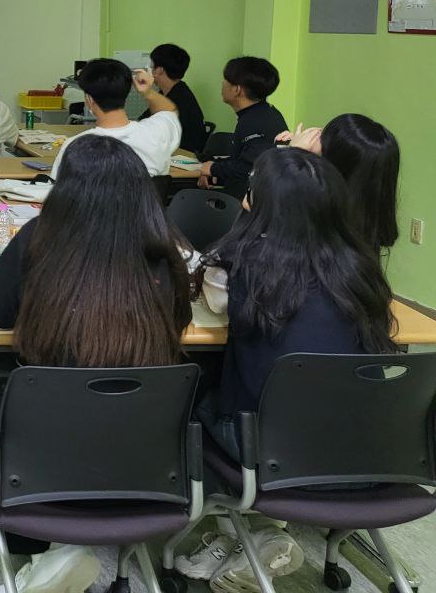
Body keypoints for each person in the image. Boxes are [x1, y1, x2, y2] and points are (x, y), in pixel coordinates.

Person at [0, 133, 192, 593]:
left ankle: (42, 550)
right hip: (145, 448)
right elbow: (180, 322)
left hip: (46, 447)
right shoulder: (166, 254)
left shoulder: (38, 239)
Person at [183, 147, 396, 592]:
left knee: (192, 402)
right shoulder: (362, 268)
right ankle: (258, 533)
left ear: (257, 202)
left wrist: (246, 219)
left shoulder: (244, 264)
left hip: (272, 450)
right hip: (374, 449)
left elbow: (215, 302)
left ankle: (235, 531)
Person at [277, 114, 400, 258]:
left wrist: (287, 160)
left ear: (333, 163)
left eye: (323, 138)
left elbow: (254, 208)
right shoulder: (361, 227)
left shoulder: (315, 222)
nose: (314, 136)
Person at [51, 59, 180, 178]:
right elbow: (169, 111)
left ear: (89, 99)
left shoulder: (74, 147)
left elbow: (58, 194)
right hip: (144, 203)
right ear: (127, 92)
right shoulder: (157, 135)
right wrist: (148, 92)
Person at [198, 57, 287, 197]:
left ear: (237, 89)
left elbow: (251, 168)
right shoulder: (261, 113)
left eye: (226, 80)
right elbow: (243, 159)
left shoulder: (256, 121)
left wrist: (214, 169)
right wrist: (213, 167)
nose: (223, 83)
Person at [141, 44, 207, 155]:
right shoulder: (166, 93)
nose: (150, 70)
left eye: (152, 66)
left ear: (160, 70)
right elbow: (143, 121)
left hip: (179, 156)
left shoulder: (179, 98)